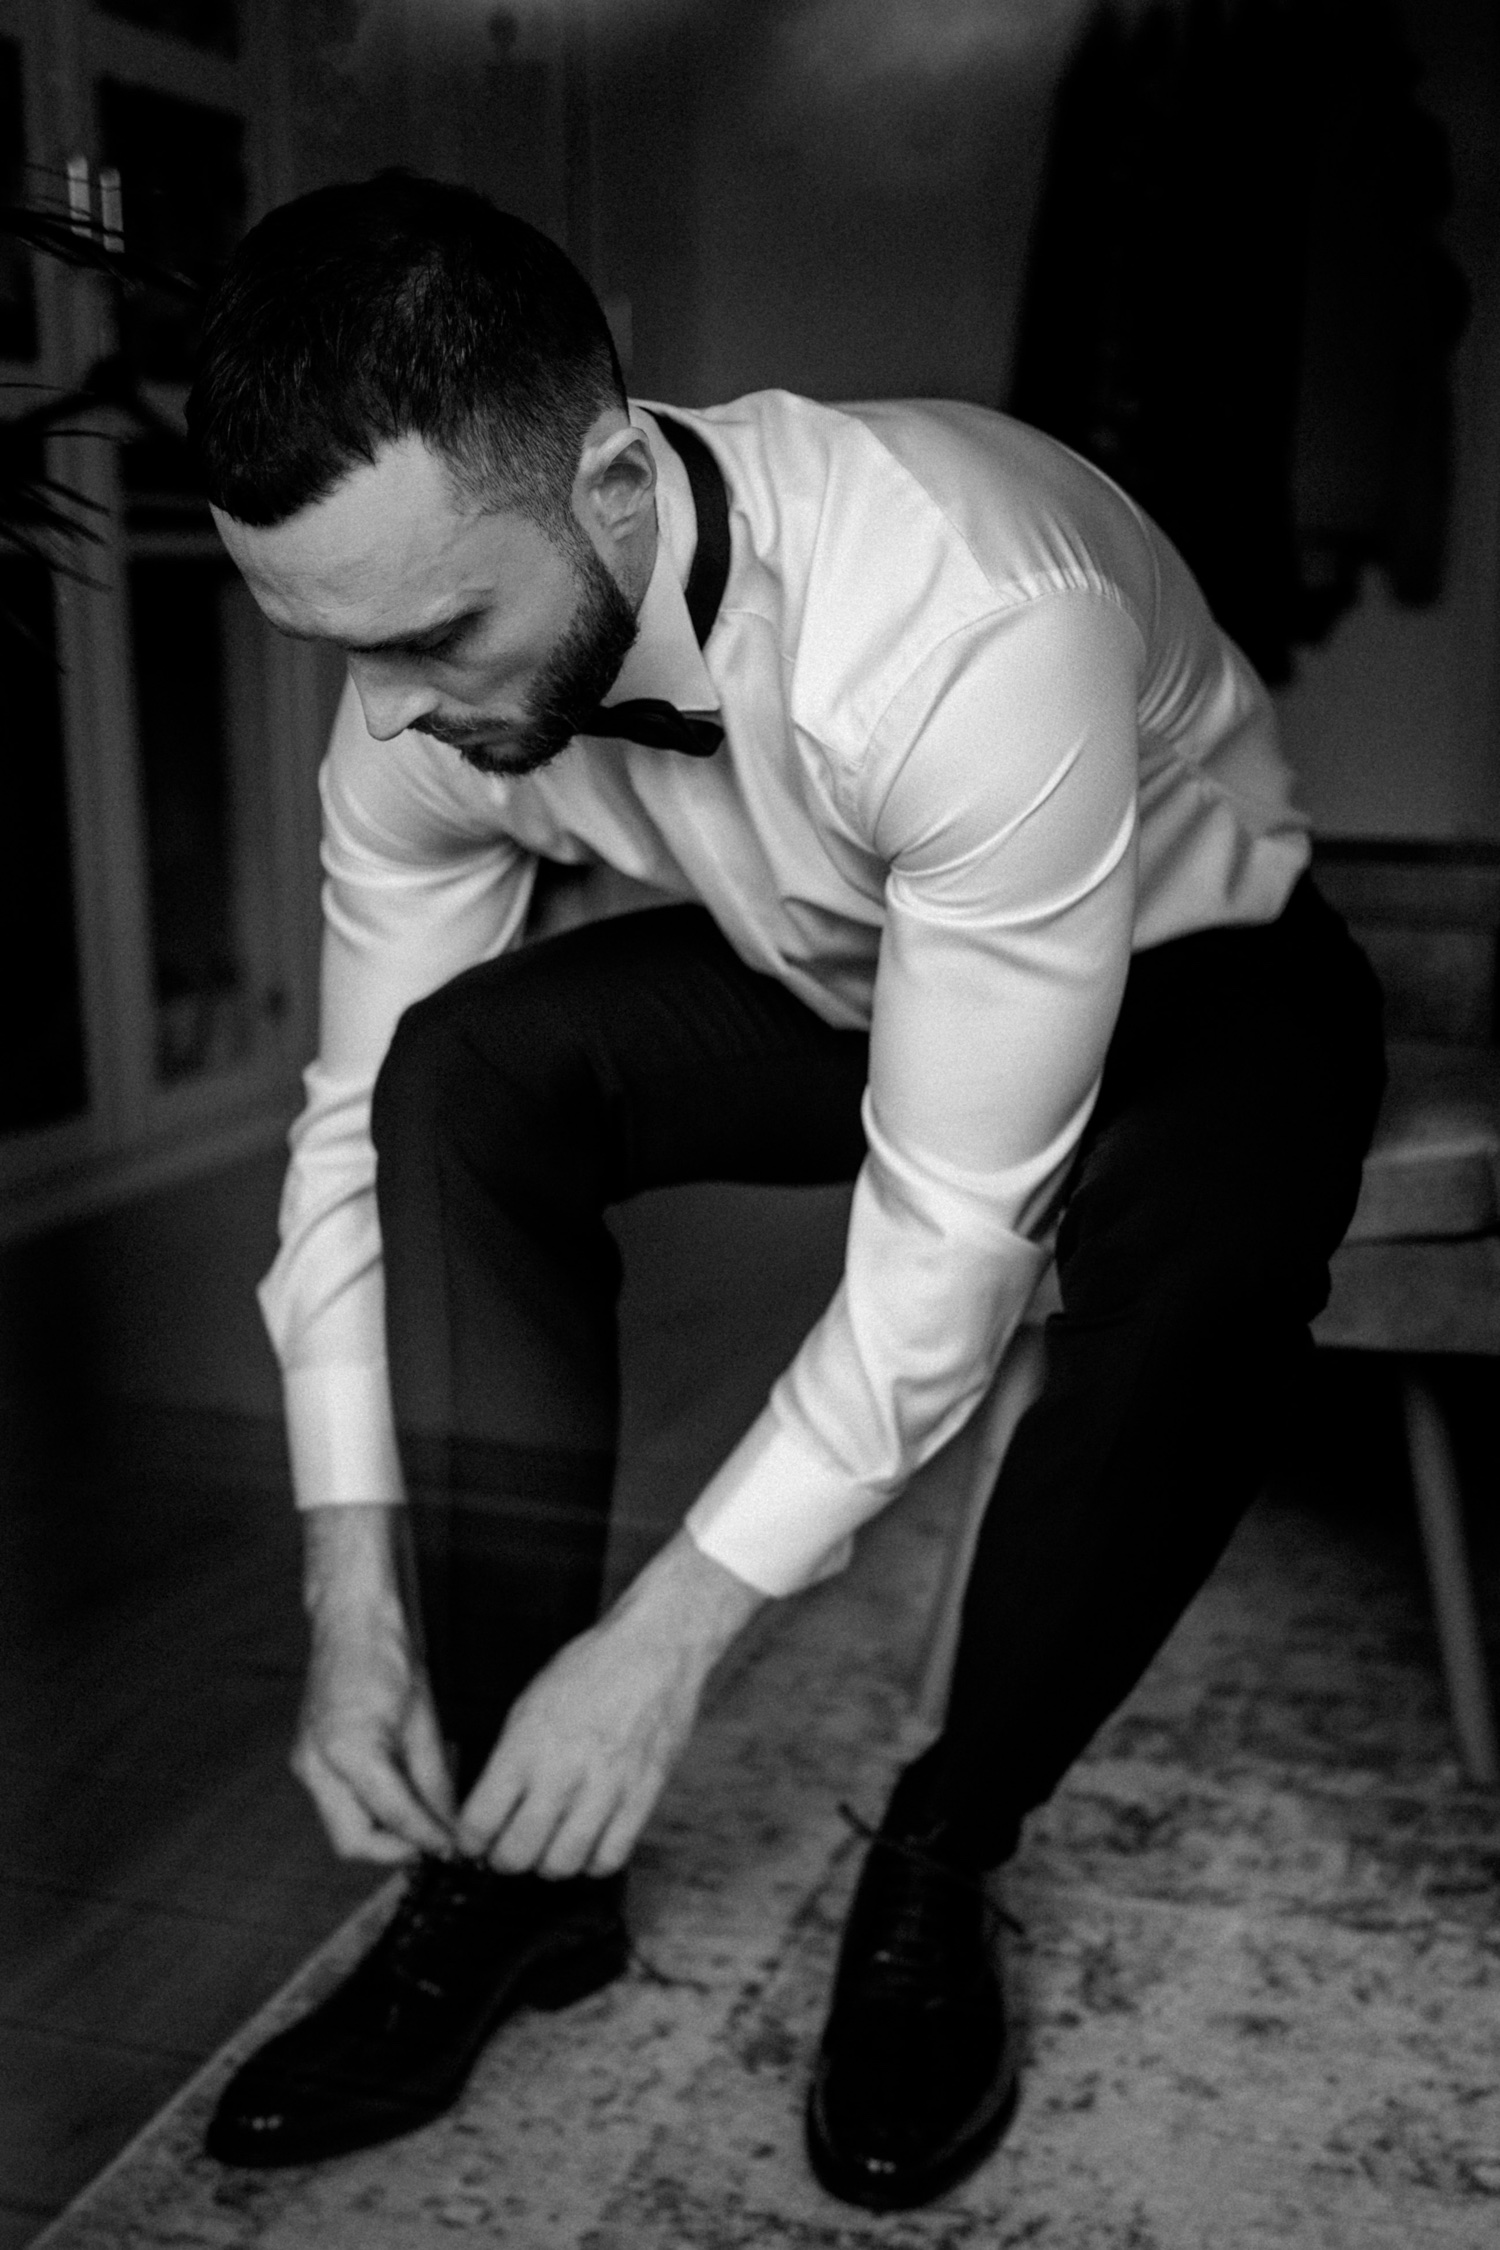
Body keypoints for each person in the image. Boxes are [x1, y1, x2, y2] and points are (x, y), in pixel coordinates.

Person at [189, 171, 1383, 2210]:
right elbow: (348, 1136)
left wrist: (668, 1640)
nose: (386, 716)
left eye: (437, 634)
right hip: (840, 958)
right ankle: (517, 1866)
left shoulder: (968, 615)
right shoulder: (412, 701)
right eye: (331, 645)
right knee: (457, 1076)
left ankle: (944, 1849)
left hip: (1199, 959)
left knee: (1200, 1258)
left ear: (611, 481)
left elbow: (945, 1255)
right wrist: (349, 1587)